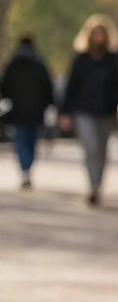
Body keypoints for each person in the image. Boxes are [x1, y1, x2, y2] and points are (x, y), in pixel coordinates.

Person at [60, 15, 118, 206]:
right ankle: (92, 186)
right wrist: (64, 112)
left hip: (107, 111)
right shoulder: (81, 59)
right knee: (91, 148)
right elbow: (71, 86)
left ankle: (98, 185)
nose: (98, 38)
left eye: (101, 34)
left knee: (102, 151)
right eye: (95, 34)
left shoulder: (114, 60)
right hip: (84, 110)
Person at [0, 35, 55, 189]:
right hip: (36, 111)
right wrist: (49, 104)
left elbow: (3, 86)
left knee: (21, 141)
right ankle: (28, 167)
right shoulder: (40, 64)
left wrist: (9, 99)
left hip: (17, 110)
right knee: (32, 141)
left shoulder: (12, 64)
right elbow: (48, 88)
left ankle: (25, 168)